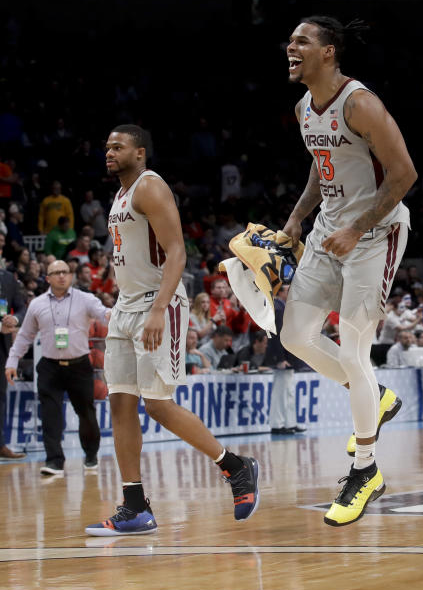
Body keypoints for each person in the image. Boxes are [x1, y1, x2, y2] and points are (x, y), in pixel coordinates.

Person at [85, 125, 259, 537]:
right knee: (120, 404)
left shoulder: (150, 187)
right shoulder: (122, 194)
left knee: (158, 405)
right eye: (106, 146)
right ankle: (135, 506)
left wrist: (160, 308)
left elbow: (178, 251)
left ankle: (235, 467)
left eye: (117, 146)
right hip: (126, 308)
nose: (108, 152)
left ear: (140, 152)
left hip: (156, 304)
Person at [278, 16, 416, 527]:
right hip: (327, 233)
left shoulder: (361, 104)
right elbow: (322, 162)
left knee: (355, 349)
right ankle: (376, 396)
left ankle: (366, 470)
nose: (291, 47)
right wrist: (296, 219)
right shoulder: (302, 108)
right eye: (290, 41)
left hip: (374, 235)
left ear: (329, 52)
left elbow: (404, 174)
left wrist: (357, 228)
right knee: (294, 336)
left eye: (302, 41)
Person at [4, 260, 108, 475]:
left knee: (86, 413)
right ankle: (54, 461)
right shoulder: (38, 304)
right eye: (56, 273)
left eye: (65, 272)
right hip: (50, 366)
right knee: (50, 415)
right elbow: (25, 336)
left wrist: (118, 315)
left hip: (79, 365)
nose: (61, 276)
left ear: (70, 276)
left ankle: (90, 455)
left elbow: (103, 314)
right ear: (48, 278)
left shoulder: (85, 299)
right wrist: (12, 361)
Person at [268, 285, 305, 435]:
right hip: (282, 356)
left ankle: (290, 422)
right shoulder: (277, 308)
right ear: (280, 292)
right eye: (288, 290)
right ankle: (277, 424)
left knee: (288, 391)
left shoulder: (283, 307)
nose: (291, 292)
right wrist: (280, 358)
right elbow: (275, 336)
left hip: (288, 356)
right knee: (281, 391)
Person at [0, 266, 26, 459]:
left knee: (0, 397)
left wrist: (15, 319)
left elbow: (22, 306)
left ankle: (1, 445)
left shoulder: (8, 277)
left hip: (2, 345)